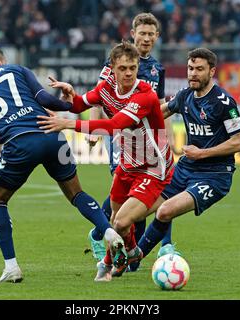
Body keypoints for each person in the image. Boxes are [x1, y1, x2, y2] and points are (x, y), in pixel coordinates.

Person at [0, 43, 124, 283]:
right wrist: (69, 104)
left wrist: (10, 125)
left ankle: (11, 267)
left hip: (20, 144)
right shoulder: (17, 69)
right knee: (76, 193)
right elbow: (45, 99)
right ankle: (109, 231)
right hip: (52, 135)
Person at [37, 41, 175, 281]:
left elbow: (112, 125)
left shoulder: (145, 95)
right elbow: (82, 103)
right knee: (114, 220)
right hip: (127, 163)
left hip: (153, 167)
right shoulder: (106, 87)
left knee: (121, 221)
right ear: (112, 68)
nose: (129, 73)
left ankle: (115, 260)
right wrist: (72, 96)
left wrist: (68, 123)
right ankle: (131, 252)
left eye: (133, 67)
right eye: (123, 68)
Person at [136, 47, 240, 263]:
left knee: (165, 211)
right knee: (138, 208)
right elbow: (160, 112)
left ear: (211, 71)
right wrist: (128, 122)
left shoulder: (223, 102)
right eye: (190, 68)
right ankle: (128, 258)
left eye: (199, 69)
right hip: (186, 168)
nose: (193, 73)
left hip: (214, 175)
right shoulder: (185, 95)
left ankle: (134, 257)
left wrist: (202, 153)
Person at [86, 13, 175, 268]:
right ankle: (101, 234)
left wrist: (167, 137)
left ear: (157, 37)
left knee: (152, 189)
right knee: (126, 187)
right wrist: (94, 130)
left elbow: (159, 107)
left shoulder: (158, 69)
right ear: (133, 33)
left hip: (149, 139)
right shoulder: (119, 60)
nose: (146, 38)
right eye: (142, 33)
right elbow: (98, 94)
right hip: (120, 135)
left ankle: (141, 248)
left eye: (151, 34)